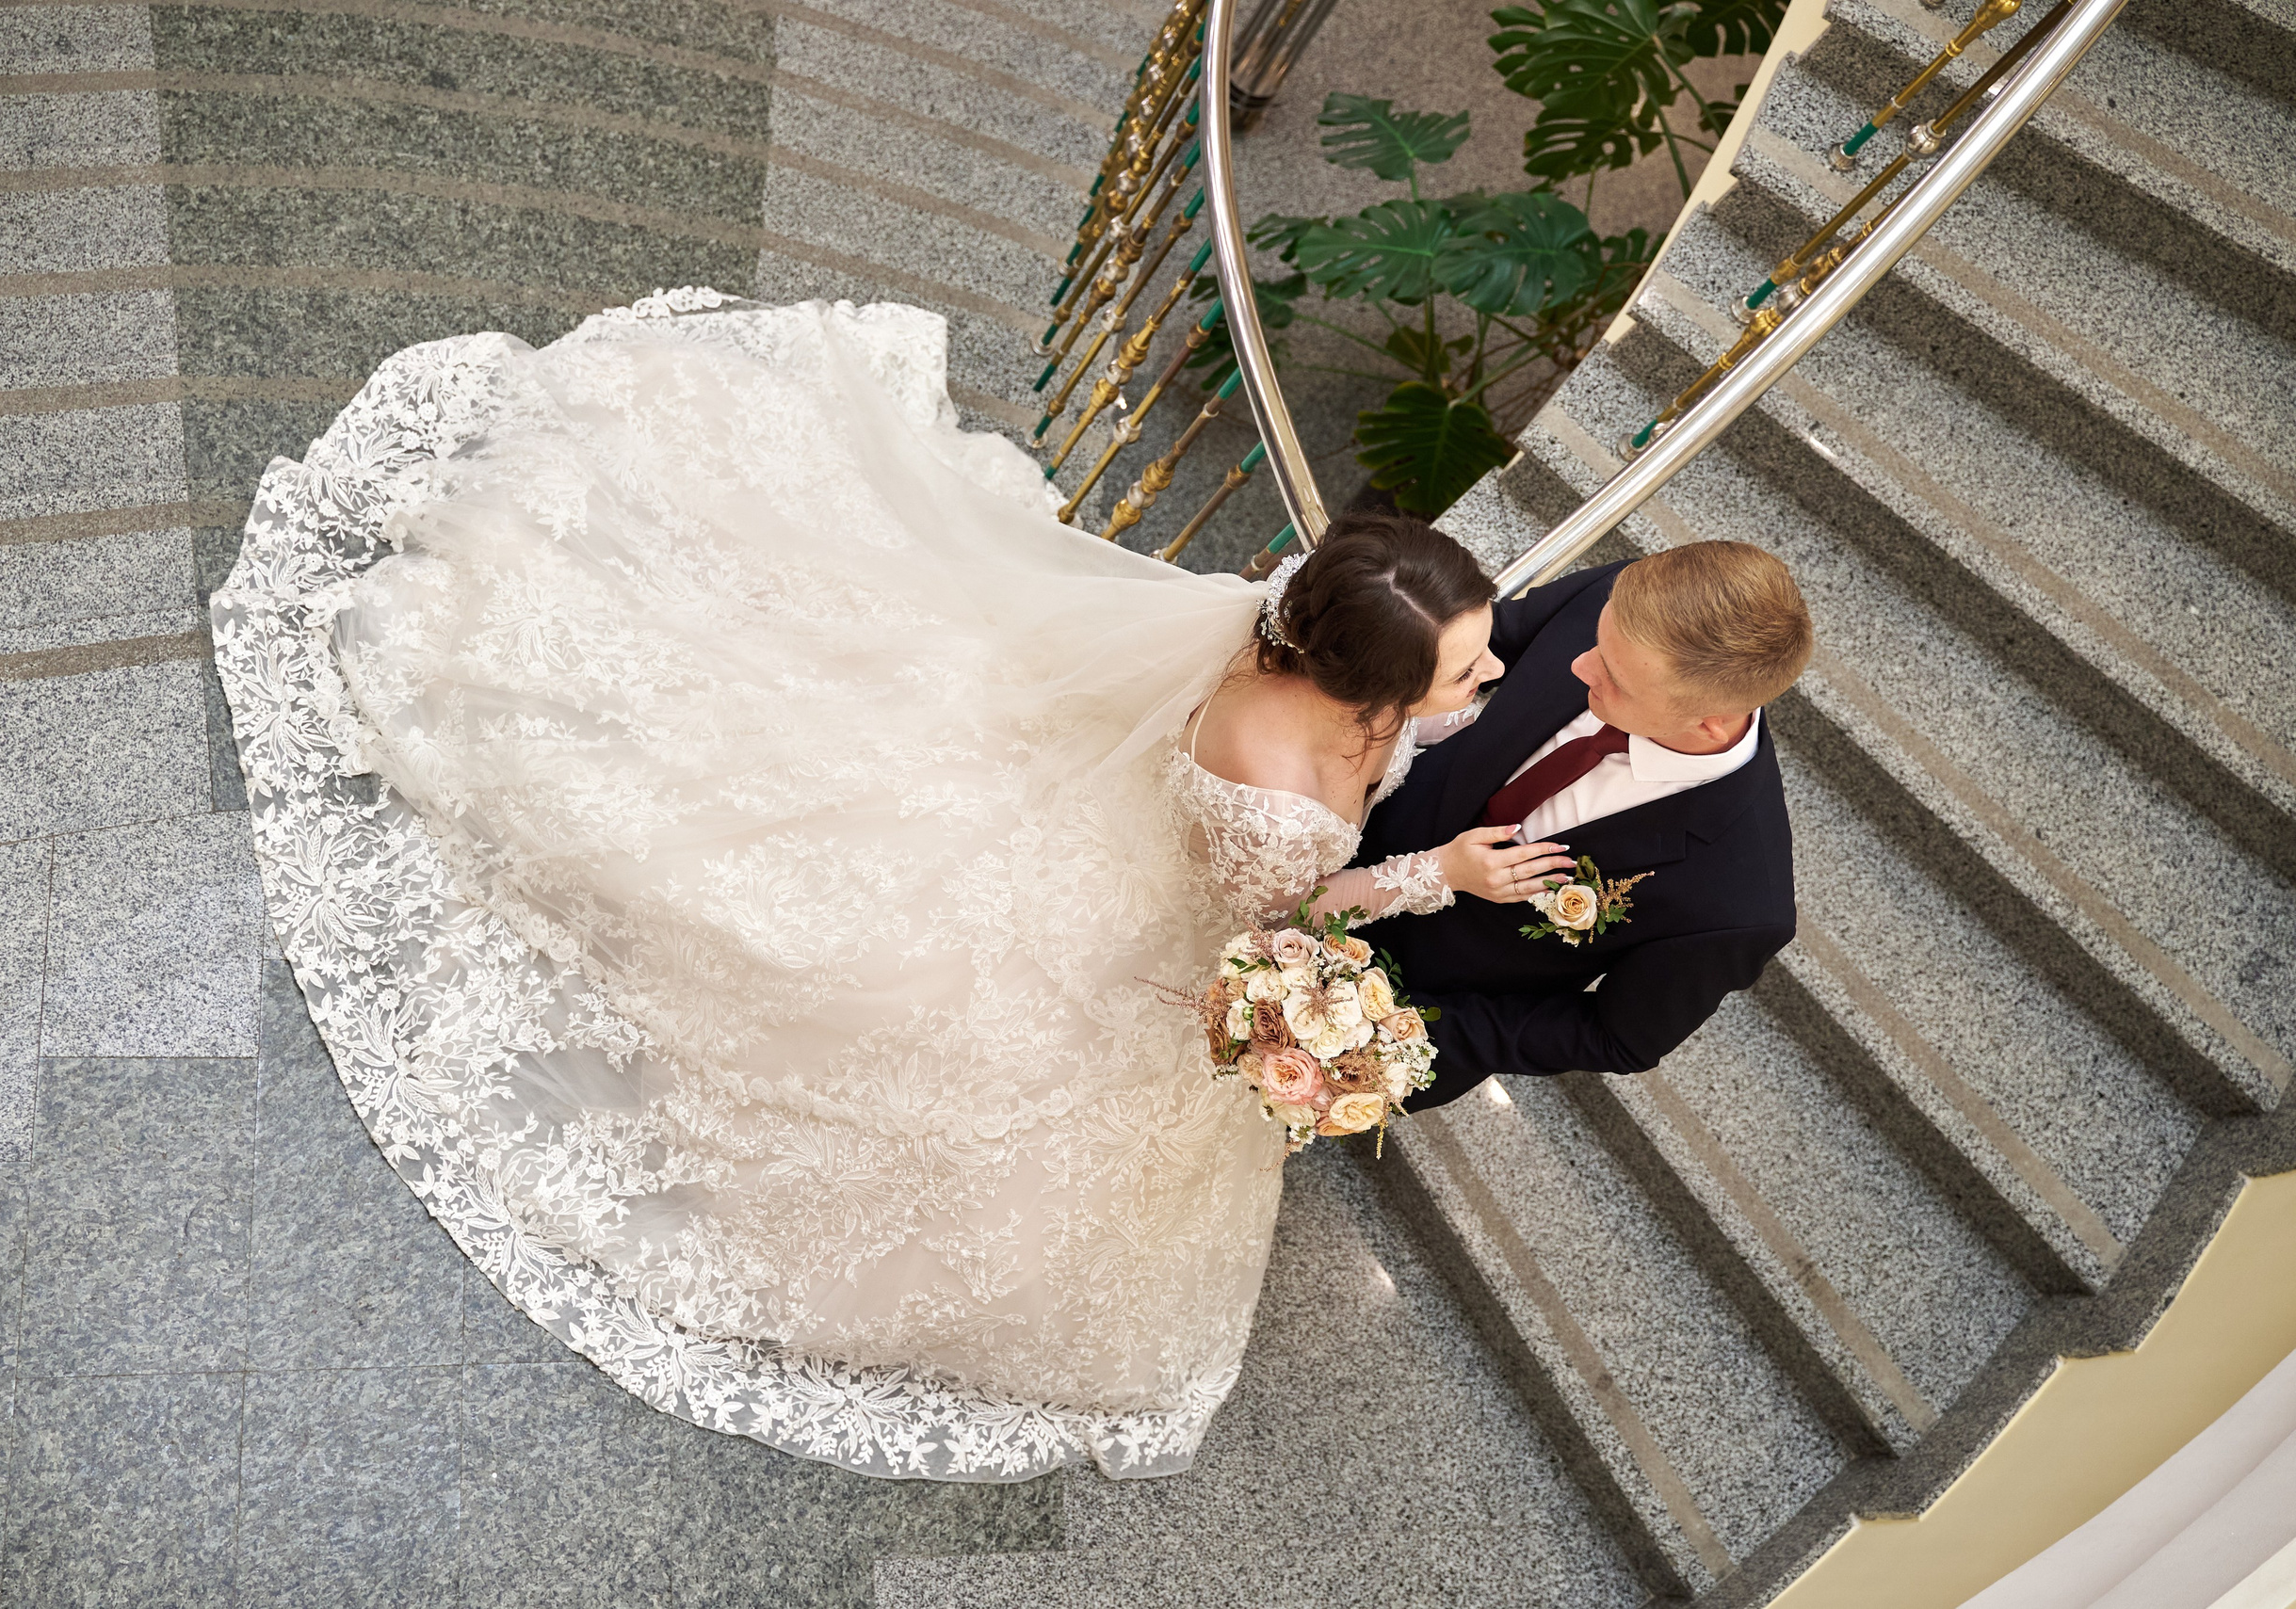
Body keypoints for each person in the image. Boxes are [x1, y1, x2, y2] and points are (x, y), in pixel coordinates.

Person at [210, 289, 1563, 1485]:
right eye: (1463, 672)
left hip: (1129, 805)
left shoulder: (1299, 627)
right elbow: (1257, 920)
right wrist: (1427, 877)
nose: (1490, 679)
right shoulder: (1273, 777)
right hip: (1133, 920)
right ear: (1364, 685)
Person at [1352, 540, 1815, 1101]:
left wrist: (1395, 1033)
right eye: (1597, 638)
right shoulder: (1626, 602)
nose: (1579, 665)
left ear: (1711, 725)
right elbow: (1475, 647)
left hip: (1381, 1017)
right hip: (1321, 843)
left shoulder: (1739, 903)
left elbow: (1617, 1038)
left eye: (1615, 679)